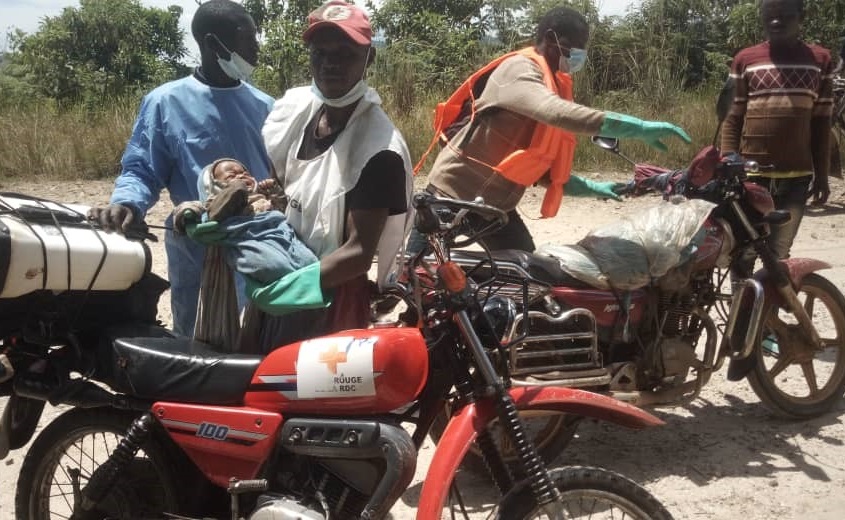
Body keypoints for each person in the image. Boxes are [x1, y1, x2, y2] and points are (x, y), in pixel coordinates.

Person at [408, 6, 691, 254]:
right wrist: (637, 128)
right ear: (551, 38)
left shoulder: (552, 81)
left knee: (528, 279)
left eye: (583, 47)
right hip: (451, 196)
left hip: (494, 208)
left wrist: (592, 188)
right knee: (409, 281)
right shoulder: (519, 70)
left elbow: (540, 167)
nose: (578, 54)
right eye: (574, 46)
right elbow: (556, 113)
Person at [87, 0, 274, 337]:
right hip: (196, 250)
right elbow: (142, 168)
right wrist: (128, 202)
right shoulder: (166, 102)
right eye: (247, 38)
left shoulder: (266, 107)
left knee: (259, 342)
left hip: (260, 245)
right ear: (212, 42)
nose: (255, 47)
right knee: (199, 344)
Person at [239, 0, 412, 352]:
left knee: (310, 397)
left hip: (327, 295)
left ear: (369, 59)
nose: (330, 64)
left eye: (345, 54)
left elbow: (359, 251)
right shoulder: (295, 113)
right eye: (320, 53)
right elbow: (282, 191)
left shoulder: (378, 150)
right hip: (284, 274)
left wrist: (290, 288)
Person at [721, 0, 833, 280]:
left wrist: (822, 177)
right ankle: (741, 317)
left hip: (797, 179)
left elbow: (822, 124)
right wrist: (727, 162)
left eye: (784, 16)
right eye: (769, 16)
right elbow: (732, 118)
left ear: (801, 18)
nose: (775, 22)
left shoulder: (821, 61)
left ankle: (766, 319)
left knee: (778, 253)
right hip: (750, 178)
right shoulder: (745, 60)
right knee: (743, 253)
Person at [173, 157, 317, 285]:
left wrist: (275, 193)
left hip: (280, 234)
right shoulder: (214, 202)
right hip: (251, 240)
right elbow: (199, 212)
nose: (241, 175)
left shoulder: (260, 196)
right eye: (231, 175)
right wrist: (236, 188)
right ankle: (285, 283)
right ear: (213, 185)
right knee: (273, 265)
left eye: (245, 173)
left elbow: (283, 212)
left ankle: (303, 283)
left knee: (309, 261)